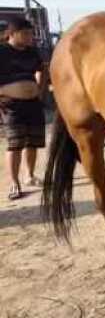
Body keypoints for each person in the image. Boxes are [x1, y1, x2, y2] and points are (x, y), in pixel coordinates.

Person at [0, 17, 47, 200]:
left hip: (33, 103)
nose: (30, 37)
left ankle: (30, 175)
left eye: (31, 34)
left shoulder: (32, 52)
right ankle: (15, 182)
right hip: (11, 106)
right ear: (11, 34)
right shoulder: (2, 51)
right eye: (26, 34)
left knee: (33, 142)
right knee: (15, 144)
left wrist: (41, 91)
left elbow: (42, 69)